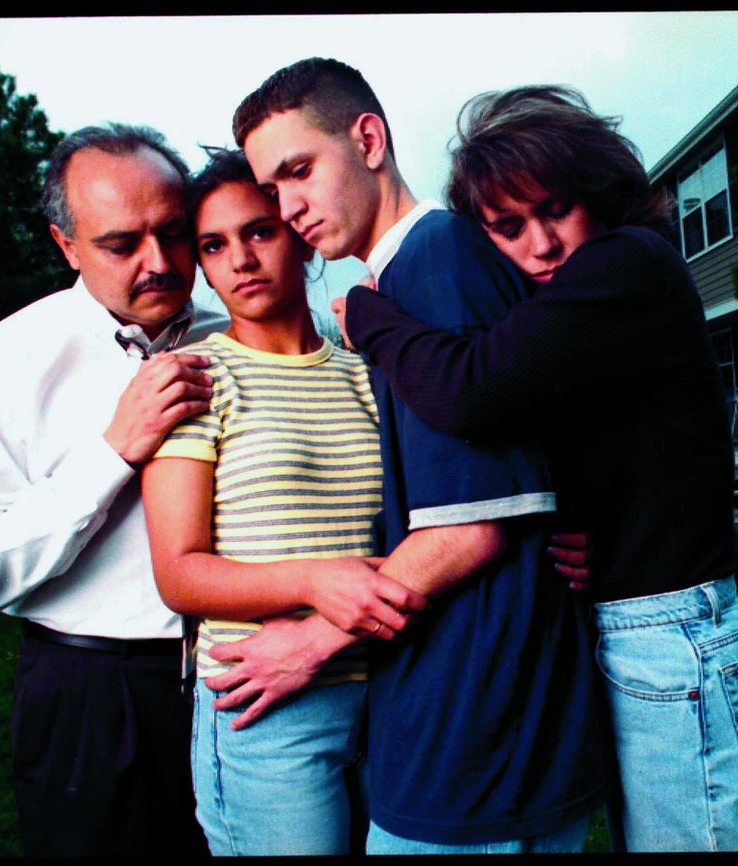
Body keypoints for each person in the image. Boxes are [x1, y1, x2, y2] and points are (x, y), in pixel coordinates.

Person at [336, 85, 738, 852]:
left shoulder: (628, 260)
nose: (540, 245)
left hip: (676, 641)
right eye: (507, 229)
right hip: (650, 633)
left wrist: (369, 314)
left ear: (598, 191)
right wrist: (594, 522)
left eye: (555, 210)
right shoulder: (597, 293)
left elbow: (474, 389)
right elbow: (634, 445)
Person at [221, 58, 606, 854]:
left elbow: (476, 523)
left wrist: (311, 641)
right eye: (272, 188)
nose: (288, 208)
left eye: (299, 171)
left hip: (478, 738)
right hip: (468, 720)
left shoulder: (439, 263)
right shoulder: (401, 284)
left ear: (367, 139)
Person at [0, 123, 226, 857]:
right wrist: (111, 454)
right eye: (122, 245)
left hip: (246, 682)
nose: (158, 263)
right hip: (94, 698)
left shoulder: (241, 337)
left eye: (173, 232)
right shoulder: (9, 359)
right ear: (66, 246)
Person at [139, 147, 428, 855]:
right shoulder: (195, 377)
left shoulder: (368, 372)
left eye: (258, 231)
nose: (239, 259)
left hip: (389, 692)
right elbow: (178, 573)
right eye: (214, 244)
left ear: (300, 236)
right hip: (265, 709)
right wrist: (312, 580)